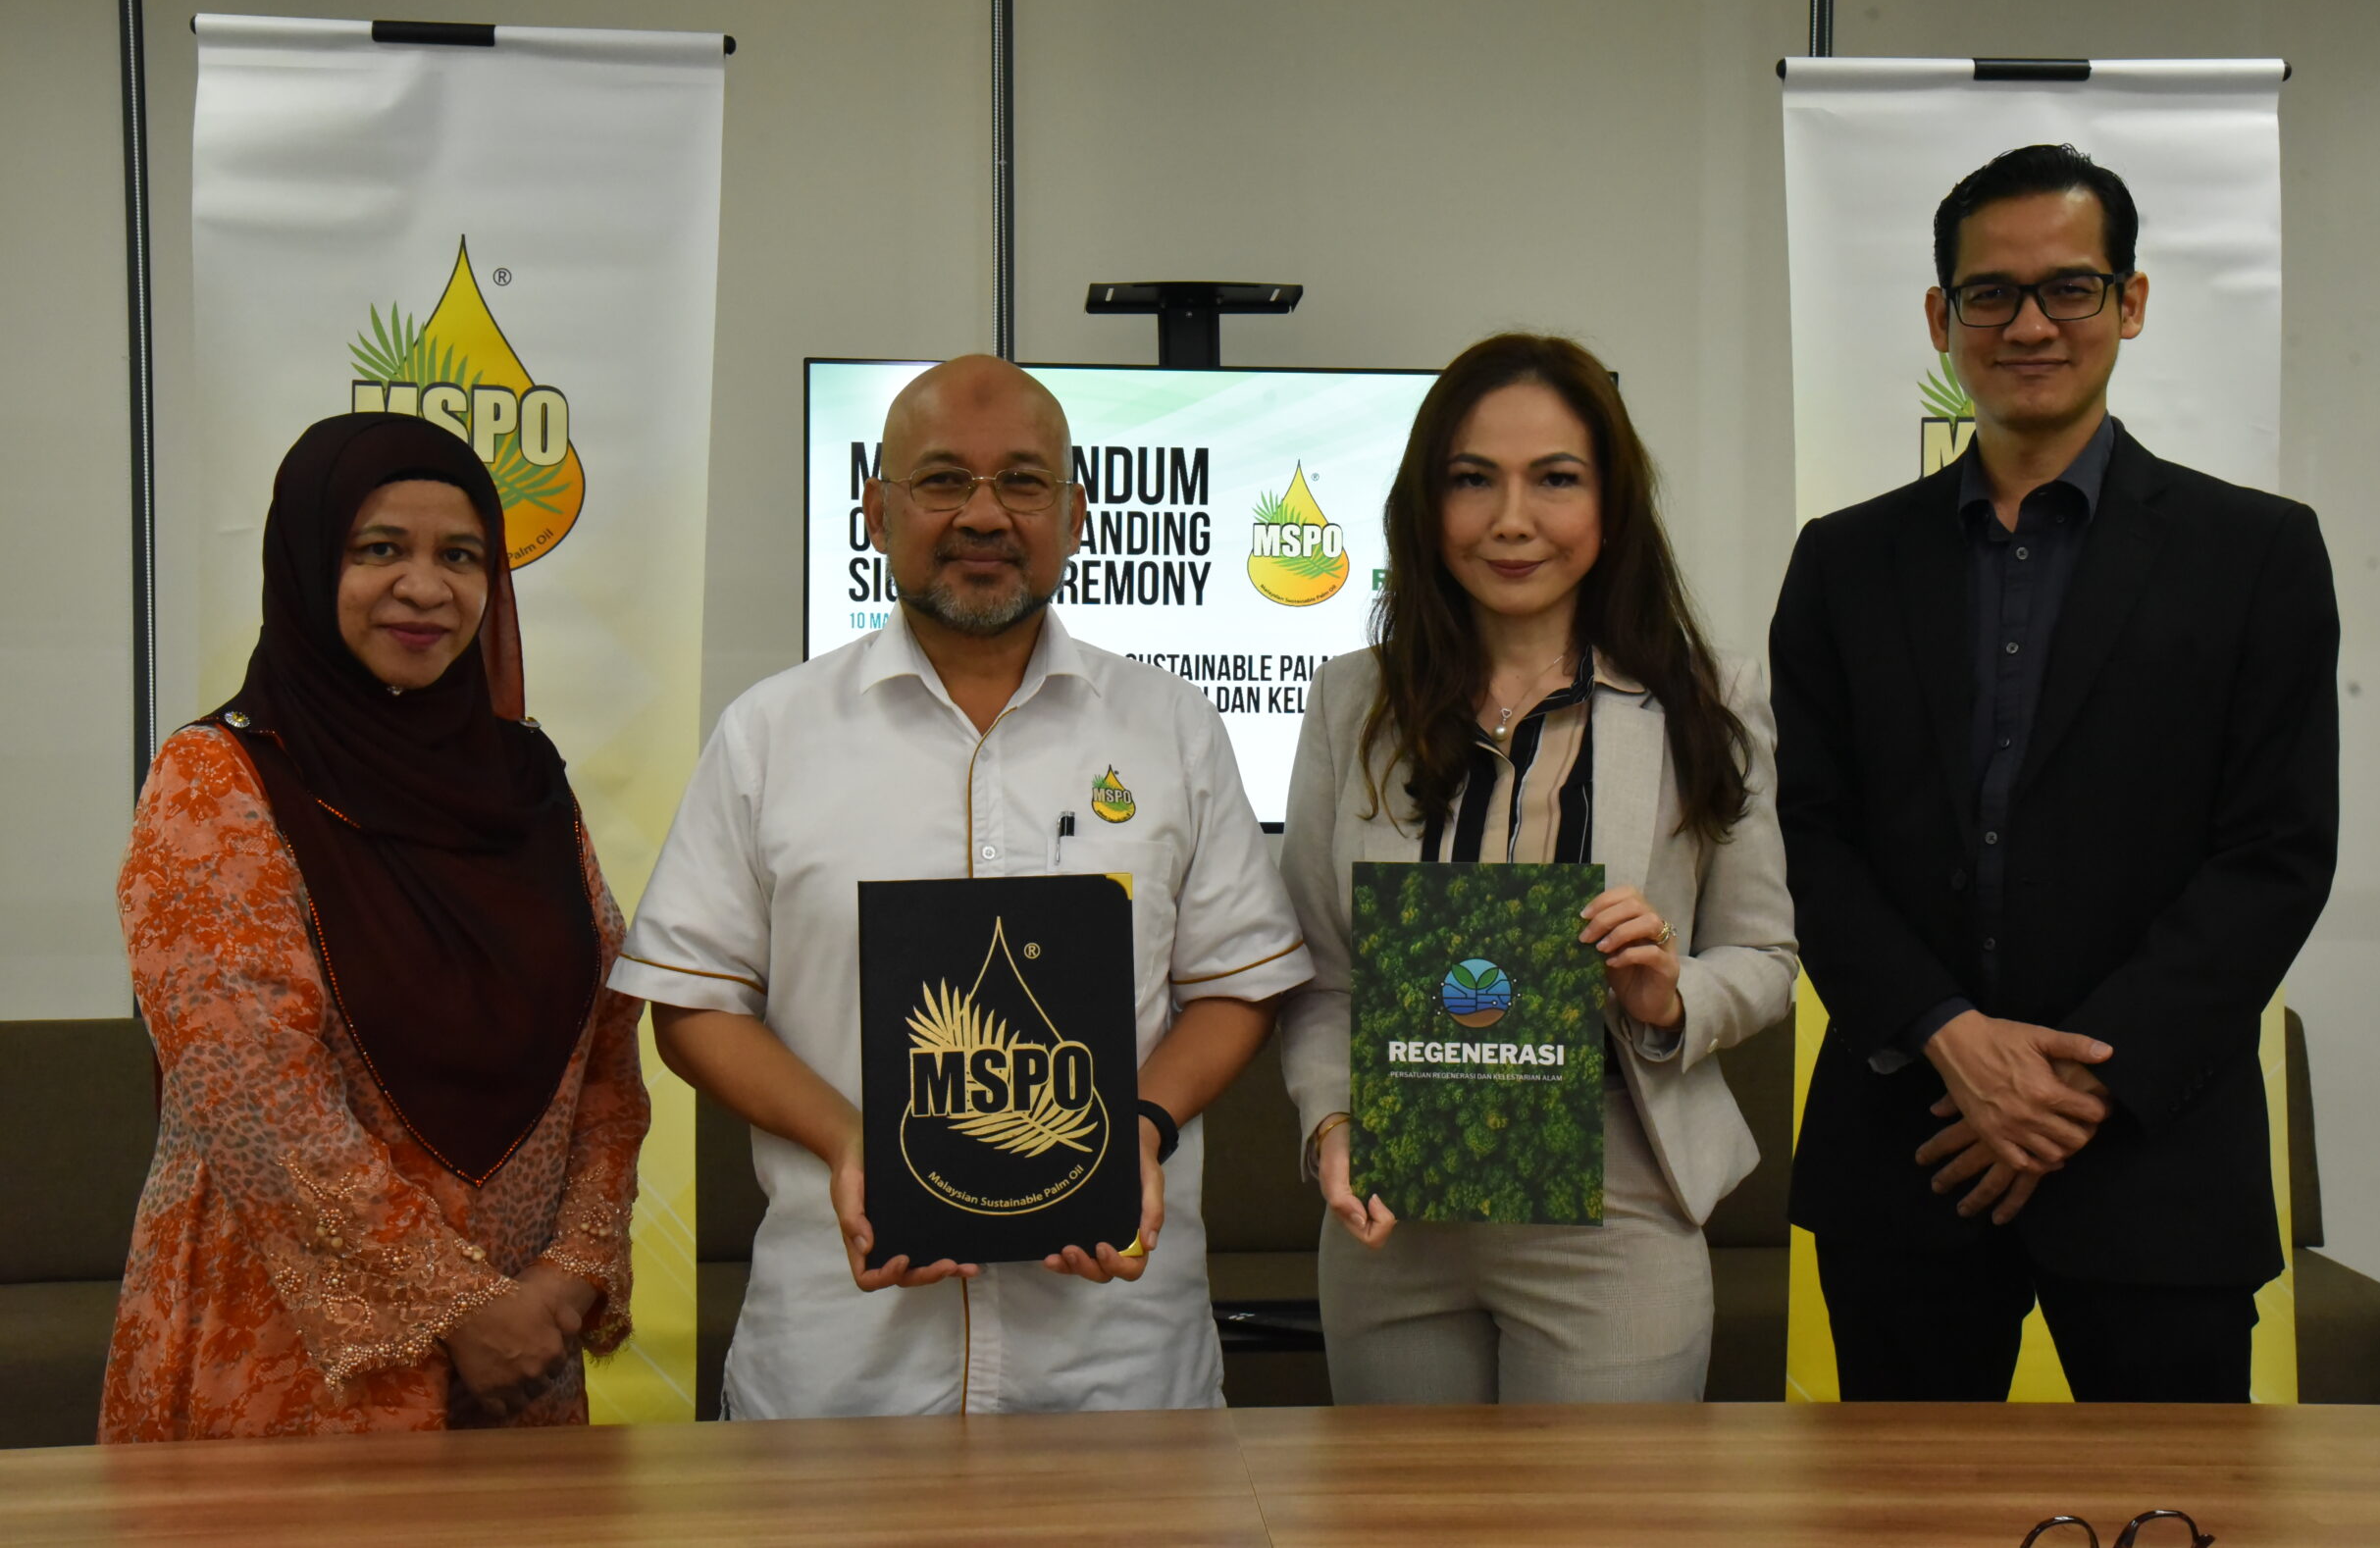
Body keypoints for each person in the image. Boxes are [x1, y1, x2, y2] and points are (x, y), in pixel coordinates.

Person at [612, 354, 1311, 1418]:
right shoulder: (770, 733)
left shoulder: (1168, 727)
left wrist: (1139, 1127)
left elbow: (1236, 985)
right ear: (875, 510)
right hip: (842, 1373)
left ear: (1075, 514)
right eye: (942, 479)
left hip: (1117, 1367)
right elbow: (695, 1004)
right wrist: (851, 1141)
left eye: (1022, 481)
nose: (984, 514)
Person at [1771, 143, 2340, 1403]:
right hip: (1908, 1150)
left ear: (2128, 303)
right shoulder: (1843, 562)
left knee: (2175, 1502)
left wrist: (2073, 1087)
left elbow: (2275, 854)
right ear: (1942, 316)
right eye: (1991, 293)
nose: (2029, 325)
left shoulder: (2255, 554)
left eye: (2069, 287)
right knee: (1906, 1507)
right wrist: (1952, 1041)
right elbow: (1809, 836)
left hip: (2153, 1163)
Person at [1274, 333, 1797, 1403]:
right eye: (1473, 479)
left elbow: (1766, 955)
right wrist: (1331, 1121)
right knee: (1397, 1504)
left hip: (1616, 1190)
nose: (1511, 519)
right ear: (1427, 505)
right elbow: (1324, 977)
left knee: (1601, 1502)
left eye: (1555, 479)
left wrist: (1669, 993)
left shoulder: (1706, 696)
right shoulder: (1351, 701)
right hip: (1395, 1207)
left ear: (1611, 501)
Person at [103, 413, 647, 1440]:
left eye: (462, 555)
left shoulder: (525, 777)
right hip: (294, 1360)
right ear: (309, 565)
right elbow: (254, 1092)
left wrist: (569, 1272)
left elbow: (606, 1054)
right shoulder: (217, 778)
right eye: (380, 548)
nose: (426, 587)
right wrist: (458, 1307)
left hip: (522, 1359)